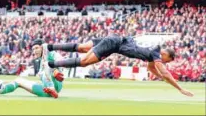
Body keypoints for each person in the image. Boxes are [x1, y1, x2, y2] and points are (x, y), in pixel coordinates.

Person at [47, 34, 194, 97]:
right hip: (114, 45)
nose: (164, 63)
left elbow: (151, 68)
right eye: (166, 61)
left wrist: (160, 76)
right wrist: (180, 88)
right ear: (165, 55)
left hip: (115, 39)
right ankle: (51, 64)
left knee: (82, 47)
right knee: (85, 62)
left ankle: (50, 47)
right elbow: (165, 72)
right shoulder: (157, 54)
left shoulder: (153, 49)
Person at [0, 39, 64, 98]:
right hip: (46, 91)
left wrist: (55, 71)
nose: (34, 51)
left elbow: (61, 61)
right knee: (18, 80)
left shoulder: (52, 53)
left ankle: (52, 89)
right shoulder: (40, 61)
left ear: (43, 47)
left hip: (55, 86)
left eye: (37, 48)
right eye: (33, 49)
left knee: (47, 65)